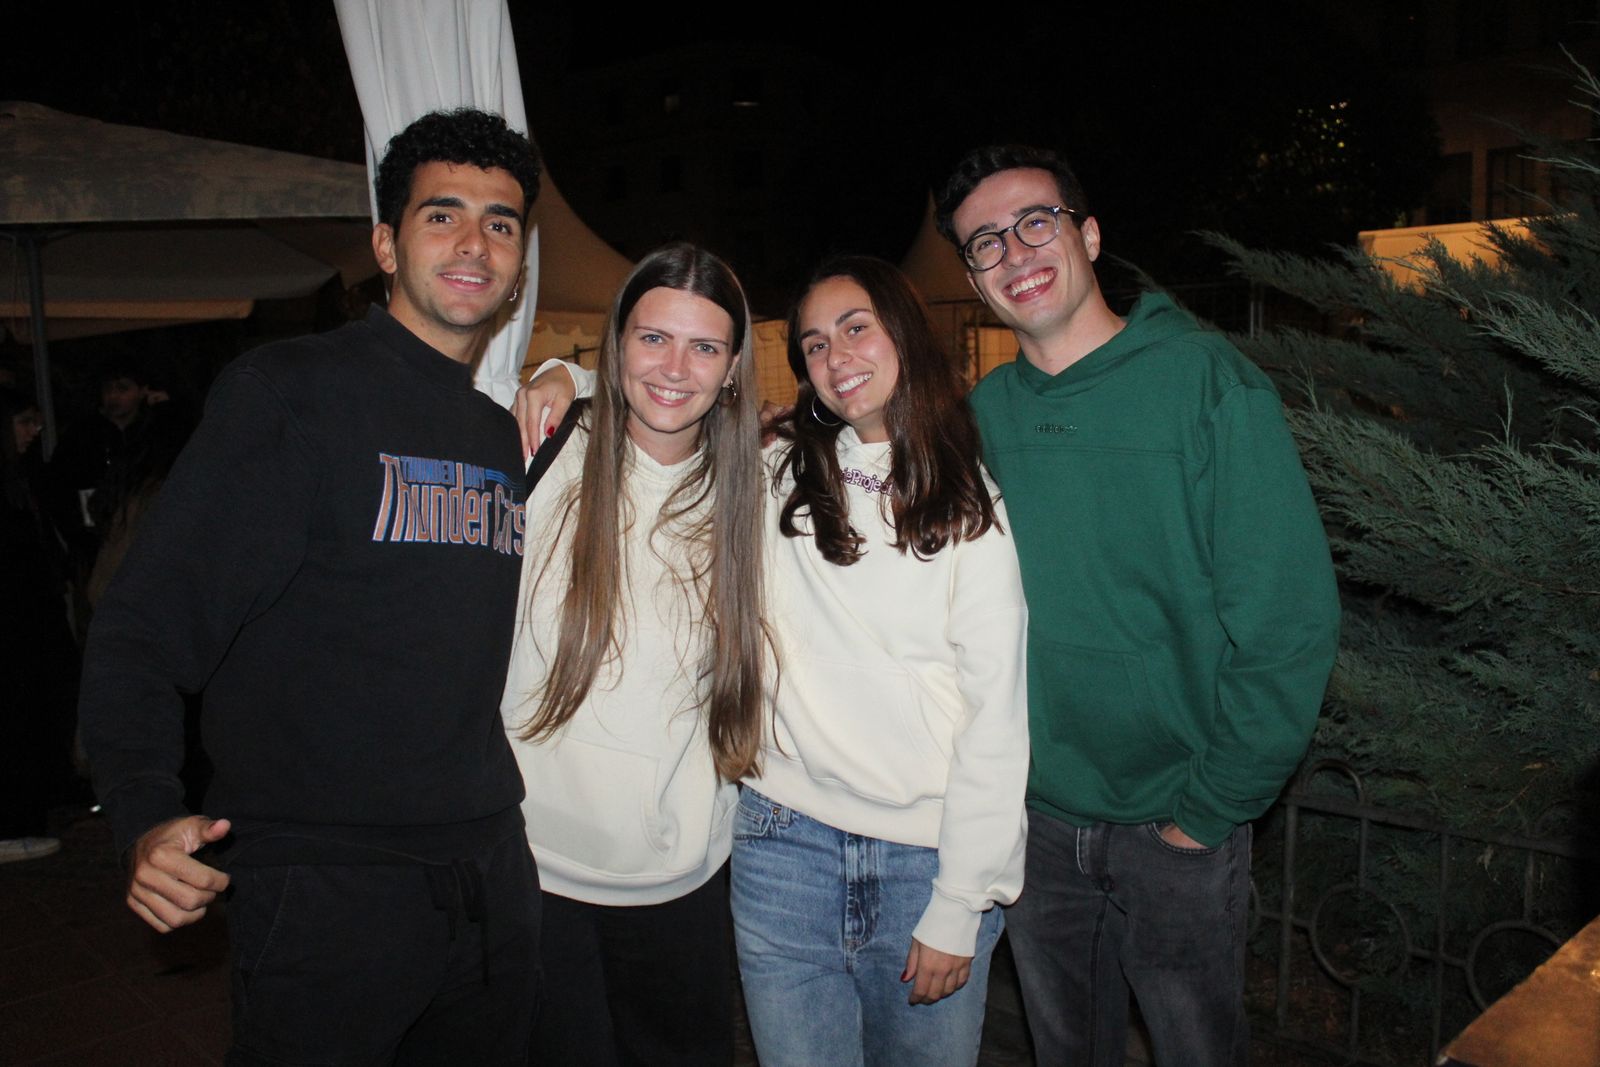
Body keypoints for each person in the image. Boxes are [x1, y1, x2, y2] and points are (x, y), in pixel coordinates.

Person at [80, 108, 548, 1066]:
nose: (474, 242)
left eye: (501, 223)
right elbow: (140, 626)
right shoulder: (289, 393)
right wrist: (141, 811)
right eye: (442, 214)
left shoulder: (500, 435)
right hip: (329, 890)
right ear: (384, 242)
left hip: (489, 874)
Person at [934, 144, 1341, 1067]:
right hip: (1034, 822)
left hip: (1179, 821)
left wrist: (1209, 810)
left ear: (1087, 234)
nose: (1015, 252)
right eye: (985, 242)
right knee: (1065, 1050)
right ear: (973, 276)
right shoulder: (980, 418)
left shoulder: (1206, 385)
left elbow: (1287, 620)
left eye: (1036, 222)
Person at [731, 256, 1029, 1067]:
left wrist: (960, 902)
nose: (836, 357)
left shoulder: (971, 504)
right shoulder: (777, 471)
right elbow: (659, 415)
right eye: (815, 344)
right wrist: (557, 379)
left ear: (901, 331)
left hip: (922, 863)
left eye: (855, 327)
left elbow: (997, 716)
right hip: (782, 843)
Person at [501, 242, 766, 1066]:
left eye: (705, 346)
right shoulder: (540, 454)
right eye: (653, 338)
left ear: (732, 369)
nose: (675, 367)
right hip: (533, 867)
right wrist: (562, 373)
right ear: (615, 344)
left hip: (680, 879)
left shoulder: (756, 491)